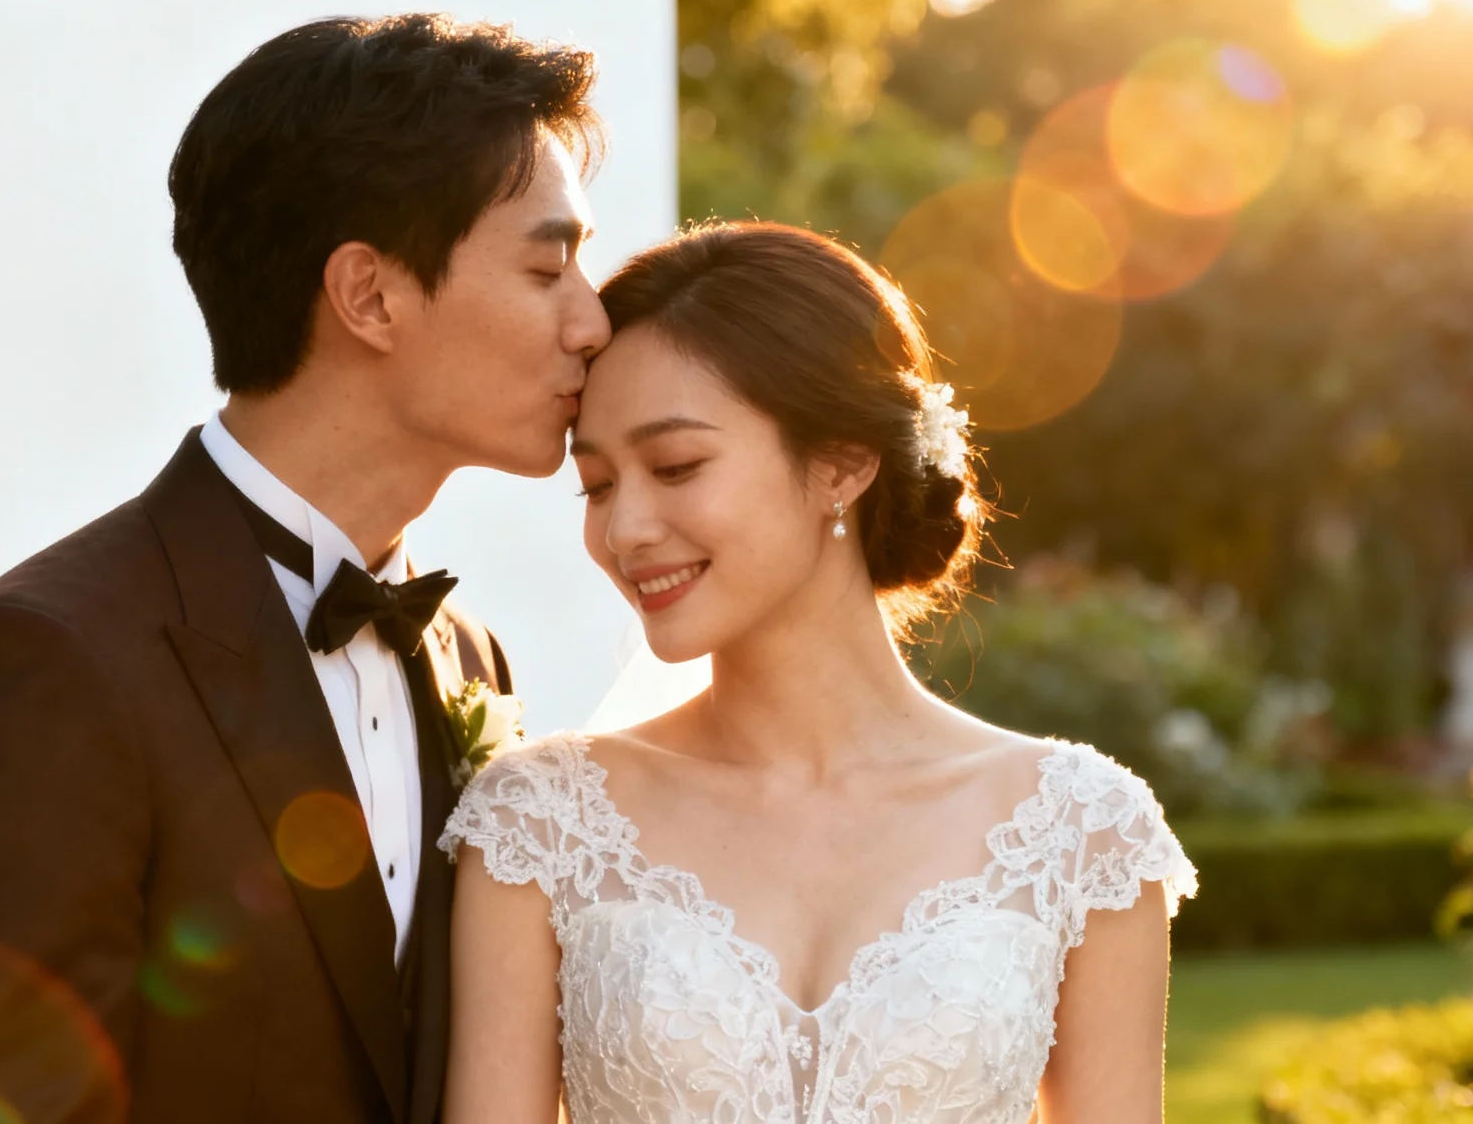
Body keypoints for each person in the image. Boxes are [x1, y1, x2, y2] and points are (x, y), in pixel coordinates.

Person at [0, 14, 609, 1124]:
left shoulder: (469, 657)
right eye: (548, 266)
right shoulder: (42, 664)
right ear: (368, 295)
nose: (592, 321)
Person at [441, 222, 1198, 1123]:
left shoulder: (1082, 833)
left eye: (676, 465)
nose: (624, 529)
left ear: (842, 463)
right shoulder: (540, 824)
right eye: (598, 484)